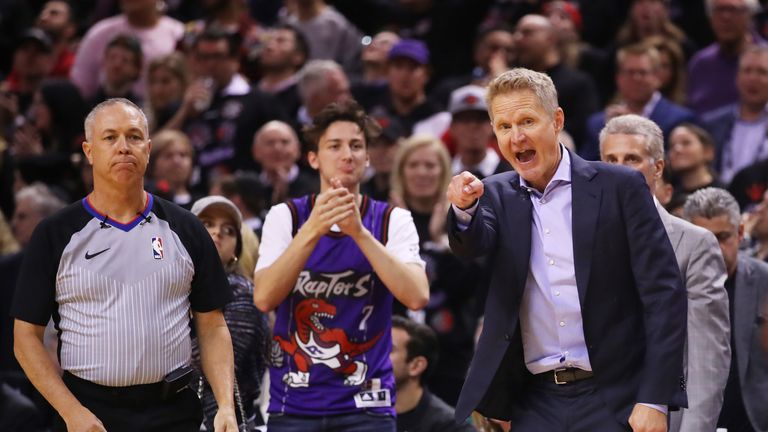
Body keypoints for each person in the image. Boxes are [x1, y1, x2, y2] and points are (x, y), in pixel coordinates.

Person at [446, 68, 686, 431]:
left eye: (527, 120)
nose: (517, 136)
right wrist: (463, 210)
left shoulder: (619, 187)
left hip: (615, 396)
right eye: (504, 126)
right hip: (534, 401)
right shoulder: (492, 194)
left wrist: (654, 397)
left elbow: (663, 296)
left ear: (556, 120)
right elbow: (472, 245)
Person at [10, 98, 238, 432]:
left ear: (147, 149)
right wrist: (70, 412)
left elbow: (213, 326)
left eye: (133, 137)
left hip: (173, 410)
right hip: (88, 411)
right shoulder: (55, 233)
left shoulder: (186, 228)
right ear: (89, 151)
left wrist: (226, 405)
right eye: (110, 137)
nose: (123, 147)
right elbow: (25, 338)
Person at [253, 99, 428, 431]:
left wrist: (359, 234)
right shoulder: (286, 217)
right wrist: (315, 229)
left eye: (357, 146)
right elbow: (264, 298)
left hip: (367, 406)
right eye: (335, 146)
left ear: (367, 158)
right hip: (293, 403)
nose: (347, 154)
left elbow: (417, 296)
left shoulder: (393, 220)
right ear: (314, 159)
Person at [599, 114, 731, 432]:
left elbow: (706, 359)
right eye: (610, 159)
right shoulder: (576, 238)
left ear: (657, 168)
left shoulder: (695, 243)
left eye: (631, 159)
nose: (619, 169)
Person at [683, 188, 768, 432]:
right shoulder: (669, 285)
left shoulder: (765, 281)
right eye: (705, 238)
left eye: (722, 237)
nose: (715, 248)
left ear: (741, 232)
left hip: (754, 422)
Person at [191, 196, 270, 431]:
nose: (217, 233)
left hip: (223, 421)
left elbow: (216, 361)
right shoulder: (174, 286)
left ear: (236, 250)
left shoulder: (241, 291)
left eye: (229, 230)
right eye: (206, 224)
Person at [583, 42, 696, 161]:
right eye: (630, 72)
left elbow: (677, 164)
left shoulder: (680, 119)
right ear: (618, 78)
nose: (636, 79)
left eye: (642, 72)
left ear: (657, 77)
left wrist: (635, 127)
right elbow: (588, 168)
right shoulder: (597, 124)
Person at [390, 315, 475, 432]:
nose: (376, 356)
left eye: (389, 350)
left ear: (416, 366)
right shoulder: (361, 414)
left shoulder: (451, 428)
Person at [702, 45, 768, 185]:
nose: (753, 79)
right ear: (737, 78)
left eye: (762, 72)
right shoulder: (712, 124)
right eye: (747, 71)